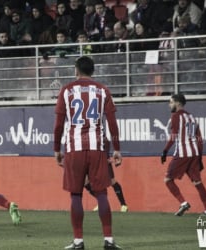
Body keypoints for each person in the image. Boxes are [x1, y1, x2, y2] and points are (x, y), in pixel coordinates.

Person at [53, 56, 123, 250]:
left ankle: (78, 242)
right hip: (97, 147)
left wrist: (56, 149)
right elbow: (112, 123)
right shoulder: (103, 90)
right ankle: (108, 240)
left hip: (74, 148)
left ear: (76, 70)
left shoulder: (66, 90)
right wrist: (117, 148)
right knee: (101, 193)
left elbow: (58, 125)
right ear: (93, 71)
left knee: (75, 194)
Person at [160, 93, 206, 217]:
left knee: (168, 180)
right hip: (194, 152)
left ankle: (183, 203)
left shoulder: (175, 116)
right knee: (197, 182)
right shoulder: (192, 117)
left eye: (171, 102)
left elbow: (173, 136)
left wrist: (165, 151)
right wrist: (199, 156)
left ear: (178, 103)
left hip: (183, 153)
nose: (169, 105)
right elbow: (199, 138)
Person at [84, 138, 128, 213]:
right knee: (85, 181)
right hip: (92, 159)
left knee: (112, 181)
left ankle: (123, 205)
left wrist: (106, 157)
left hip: (102, 158)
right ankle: (101, 202)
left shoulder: (100, 135)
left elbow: (106, 142)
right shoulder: (85, 134)